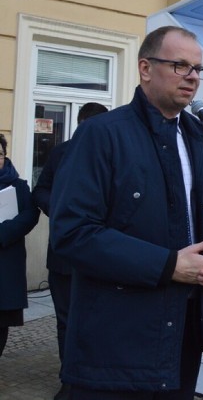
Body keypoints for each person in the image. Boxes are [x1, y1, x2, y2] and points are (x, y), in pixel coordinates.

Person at [50, 26, 203, 399]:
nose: (191, 77)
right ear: (145, 68)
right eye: (179, 65)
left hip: (186, 333)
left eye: (197, 69)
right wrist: (167, 264)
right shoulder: (102, 135)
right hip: (116, 344)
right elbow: (72, 233)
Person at [32, 102, 108, 400]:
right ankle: (70, 379)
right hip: (64, 257)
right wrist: (62, 211)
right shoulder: (60, 153)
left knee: (99, 321)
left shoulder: (114, 153)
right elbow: (41, 190)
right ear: (79, 124)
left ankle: (97, 378)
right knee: (66, 321)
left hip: (101, 257)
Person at [0, 133, 40, 358]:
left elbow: (30, 215)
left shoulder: (19, 186)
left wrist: (4, 231)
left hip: (6, 263)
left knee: (0, 322)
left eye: (0, 154)